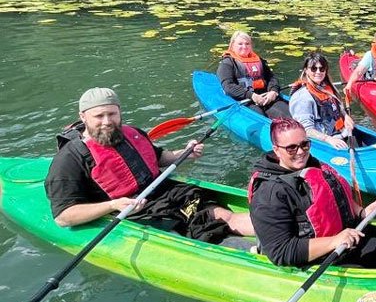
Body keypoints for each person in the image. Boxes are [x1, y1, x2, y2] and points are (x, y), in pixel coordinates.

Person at [44, 88, 254, 243]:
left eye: (112, 114)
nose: (107, 121)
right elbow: (64, 217)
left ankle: (276, 230)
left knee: (222, 215)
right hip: (134, 211)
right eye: (99, 116)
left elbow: (160, 158)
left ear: (119, 112)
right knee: (194, 233)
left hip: (166, 193)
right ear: (83, 117)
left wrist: (186, 153)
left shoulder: (131, 133)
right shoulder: (69, 158)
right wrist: (112, 205)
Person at [248, 118, 376, 268]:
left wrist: (362, 212)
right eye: (291, 148)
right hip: (320, 260)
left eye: (304, 144)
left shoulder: (313, 165)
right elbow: (281, 251)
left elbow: (335, 198)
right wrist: (334, 241)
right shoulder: (269, 193)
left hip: (351, 240)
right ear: (276, 149)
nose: (300, 152)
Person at [288, 52, 355, 150]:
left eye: (322, 68)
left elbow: (337, 107)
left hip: (342, 133)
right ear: (306, 70)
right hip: (325, 141)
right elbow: (305, 129)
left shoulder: (327, 88)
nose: (318, 72)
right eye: (314, 68)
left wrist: (345, 116)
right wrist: (328, 139)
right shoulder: (302, 97)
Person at [217, 31, 290, 119]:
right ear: (232, 45)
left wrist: (273, 91)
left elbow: (271, 78)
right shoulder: (227, 63)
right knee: (261, 117)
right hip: (245, 101)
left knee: (289, 114)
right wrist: (252, 96)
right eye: (240, 44)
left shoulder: (259, 60)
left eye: (247, 44)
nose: (244, 47)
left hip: (266, 97)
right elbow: (228, 86)